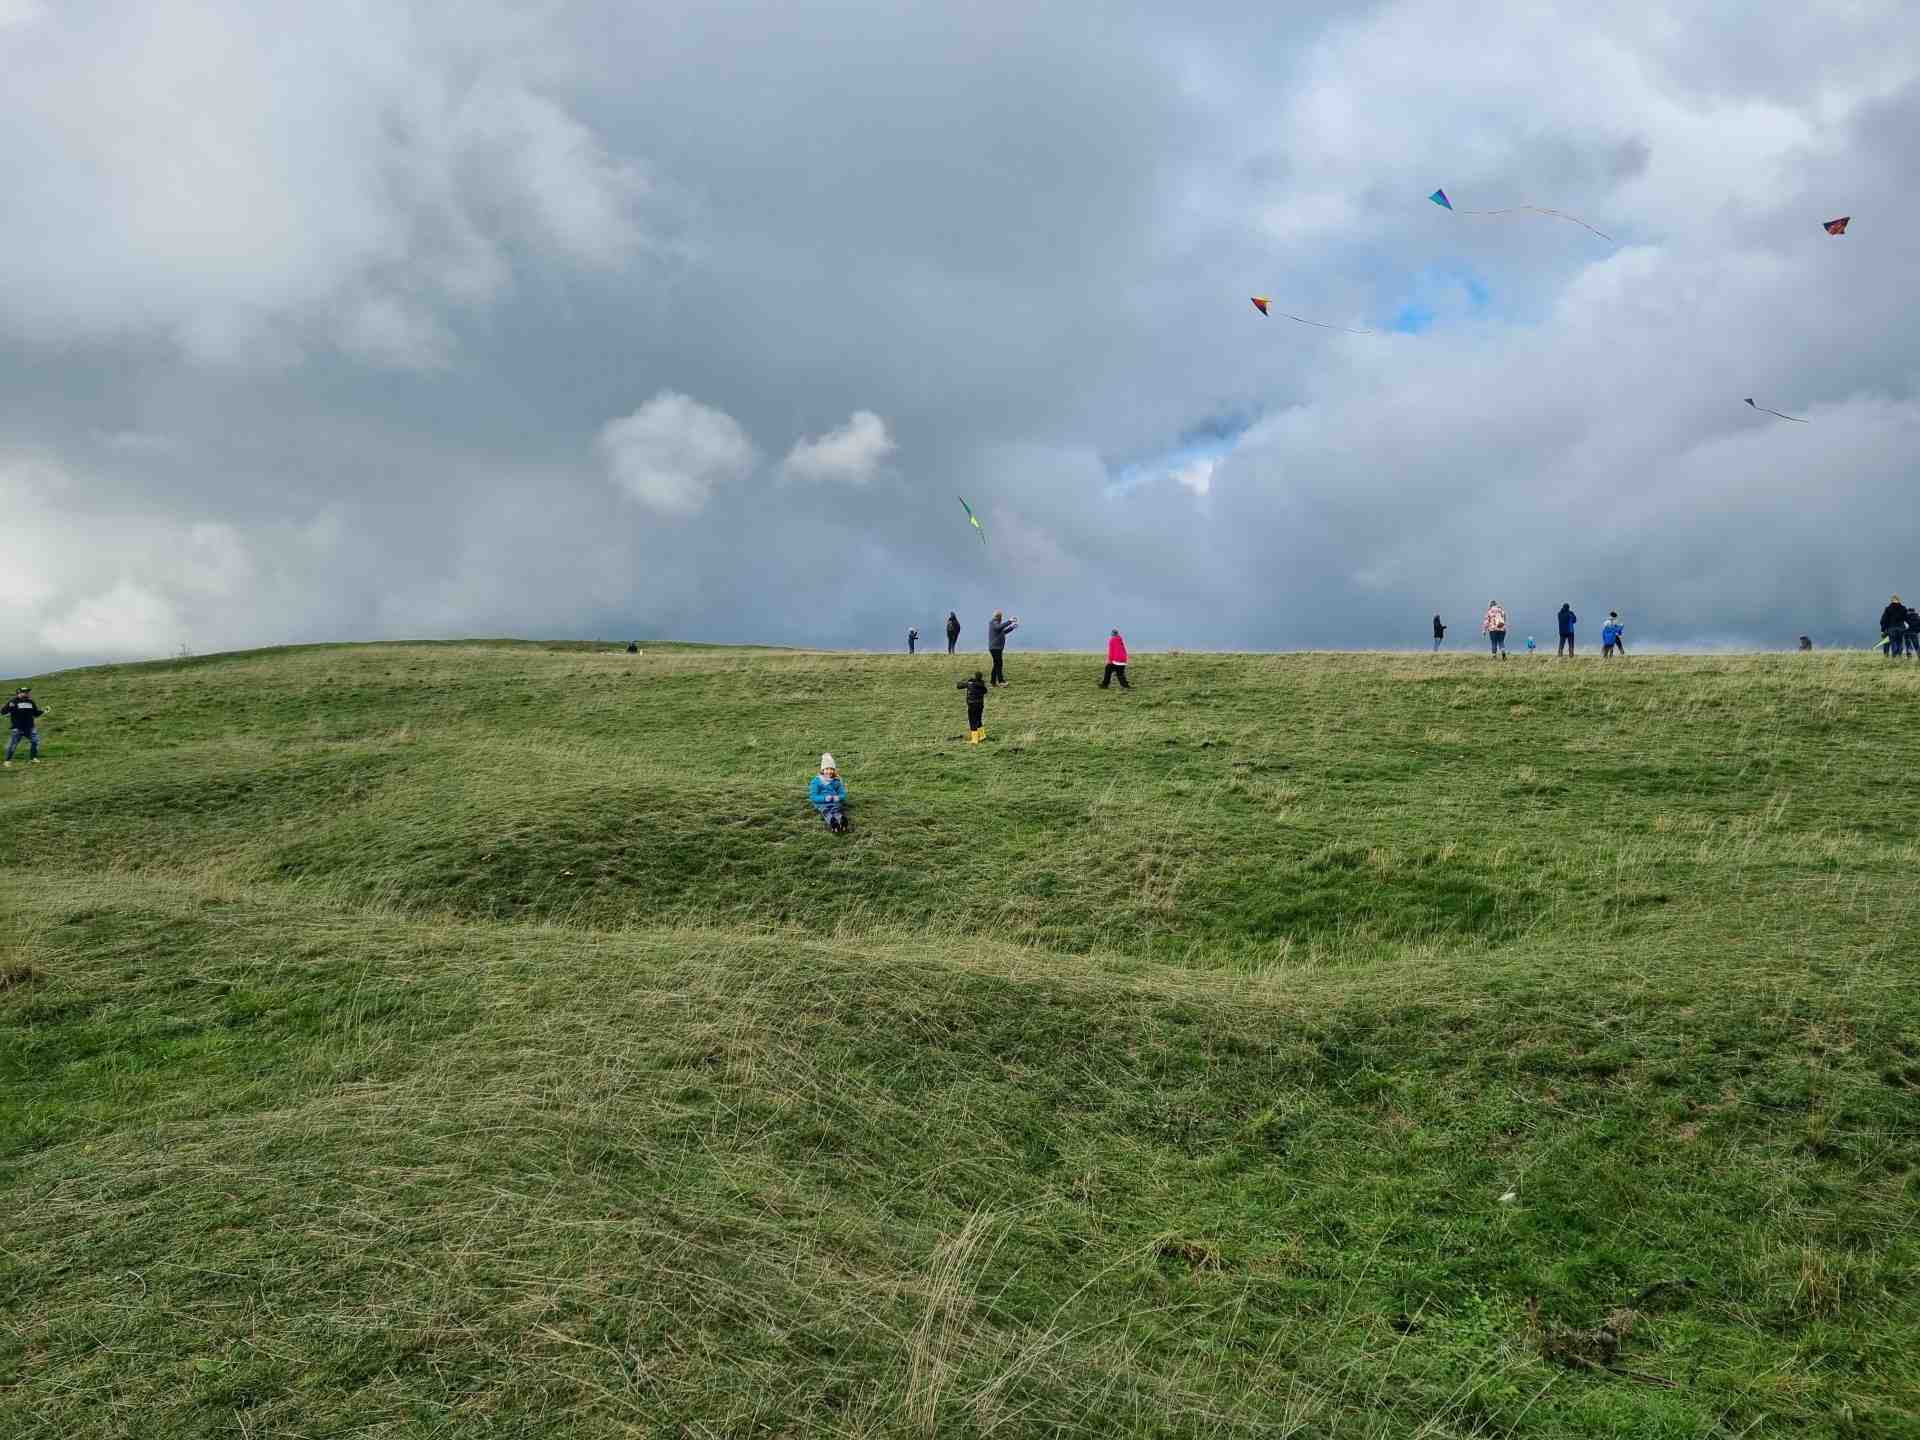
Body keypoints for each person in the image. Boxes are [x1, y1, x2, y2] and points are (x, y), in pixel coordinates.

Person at [4, 687, 45, 765]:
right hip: (18, 728)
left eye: (28, 692)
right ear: (19, 693)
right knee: (13, 745)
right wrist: (9, 706)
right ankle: (7, 761)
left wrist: (43, 711)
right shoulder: (13, 701)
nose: (27, 693)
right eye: (25, 692)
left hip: (30, 727)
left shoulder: (31, 702)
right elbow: (3, 712)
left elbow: (35, 714)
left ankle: (33, 758)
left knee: (35, 741)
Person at [809, 753, 849, 832]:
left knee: (836, 810)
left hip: (834, 802)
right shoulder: (816, 781)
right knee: (826, 811)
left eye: (831, 769)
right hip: (822, 803)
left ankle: (842, 821)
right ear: (822, 770)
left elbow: (843, 794)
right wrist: (824, 798)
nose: (829, 771)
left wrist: (838, 797)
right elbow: (813, 797)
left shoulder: (837, 781)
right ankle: (833, 822)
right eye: (826, 769)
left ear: (834, 770)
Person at [986, 610, 1019, 685]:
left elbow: (1003, 632)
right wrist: (1010, 621)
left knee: (996, 664)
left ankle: (993, 681)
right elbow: (999, 628)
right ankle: (1001, 681)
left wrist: (1012, 627)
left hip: (997, 648)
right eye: (1001, 617)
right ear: (998, 617)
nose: (1001, 618)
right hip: (995, 648)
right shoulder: (993, 622)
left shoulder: (996, 624)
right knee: (999, 664)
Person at [957, 670, 988, 744]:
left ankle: (974, 739)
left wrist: (962, 681)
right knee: (978, 719)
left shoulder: (970, 684)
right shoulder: (982, 684)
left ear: (975, 676)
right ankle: (982, 735)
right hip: (980, 705)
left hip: (972, 705)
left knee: (972, 721)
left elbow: (959, 686)